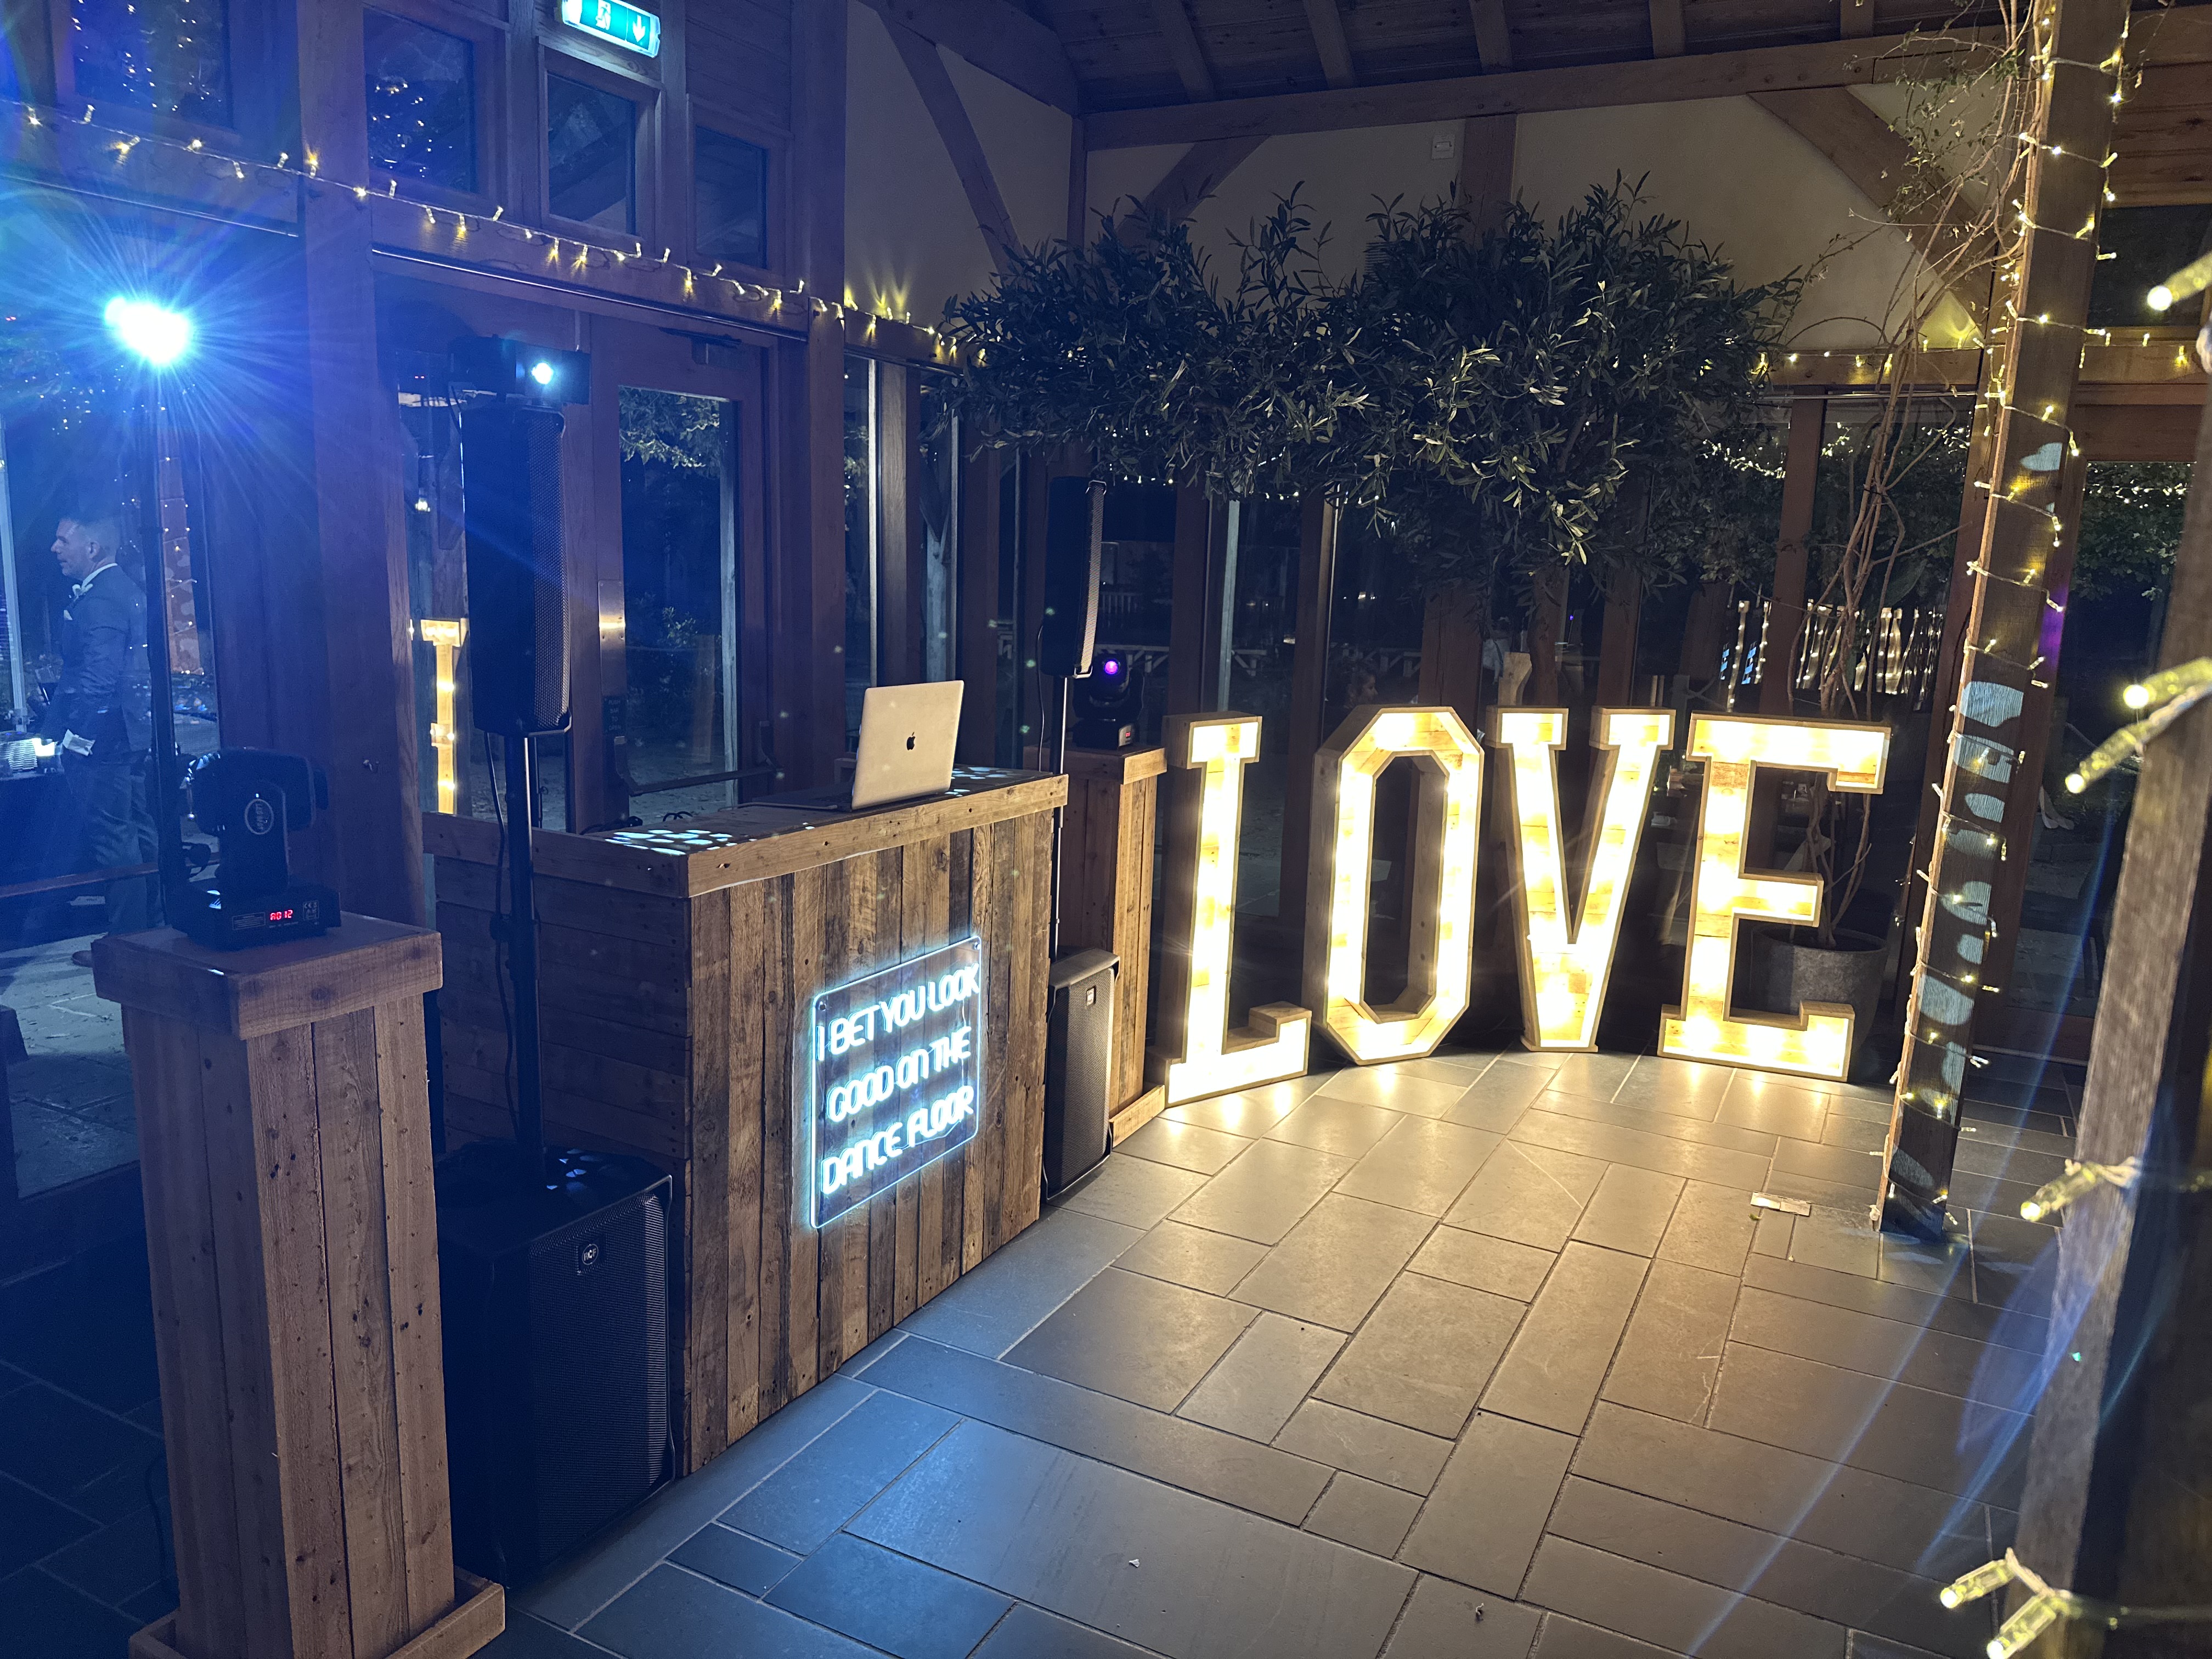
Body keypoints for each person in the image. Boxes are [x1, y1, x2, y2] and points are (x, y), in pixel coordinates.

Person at [39, 509, 159, 961]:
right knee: (139, 828)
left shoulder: (102, 600)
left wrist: (78, 738)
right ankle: (155, 929)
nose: (55, 548)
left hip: (104, 739)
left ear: (92, 548)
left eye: (63, 540)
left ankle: (127, 943)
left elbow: (99, 677)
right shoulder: (126, 589)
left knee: (114, 836)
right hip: (131, 732)